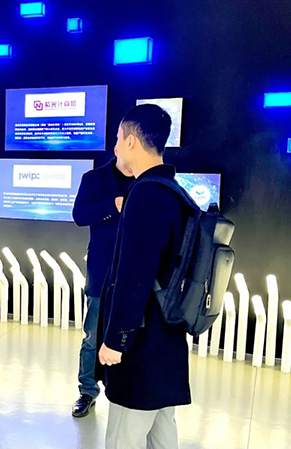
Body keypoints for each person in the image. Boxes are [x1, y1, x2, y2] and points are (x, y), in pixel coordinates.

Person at [97, 104, 191, 449]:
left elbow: (134, 276)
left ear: (132, 141)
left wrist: (116, 340)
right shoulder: (173, 191)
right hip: (167, 336)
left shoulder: (146, 194)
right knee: (162, 431)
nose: (115, 148)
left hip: (141, 342)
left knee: (124, 436)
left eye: (118, 139)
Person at [71, 154, 133, 417]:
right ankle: (87, 390)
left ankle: (126, 391)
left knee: (133, 334)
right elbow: (79, 215)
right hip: (102, 270)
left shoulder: (147, 179)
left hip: (136, 272)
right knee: (93, 334)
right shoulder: (94, 179)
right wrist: (113, 205)